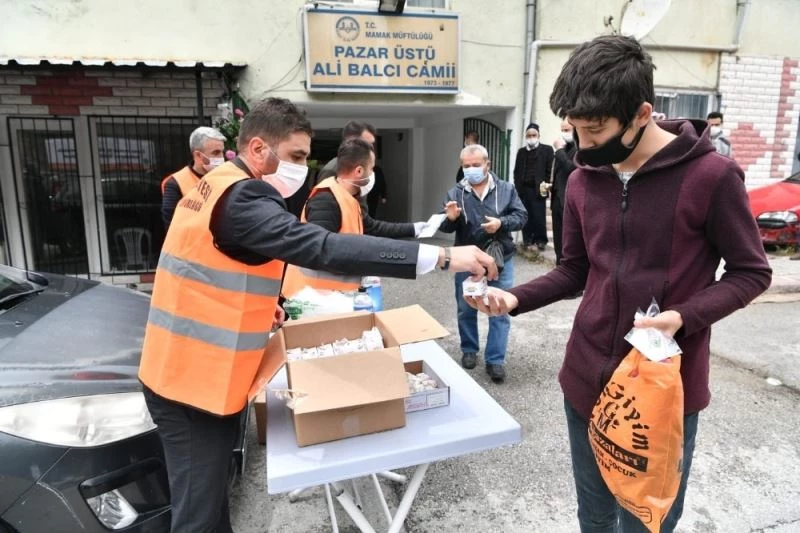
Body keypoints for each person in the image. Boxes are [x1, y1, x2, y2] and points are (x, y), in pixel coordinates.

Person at [138, 97, 497, 533]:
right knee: (197, 517)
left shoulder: (214, 185)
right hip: (194, 384)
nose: (303, 169)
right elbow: (321, 247)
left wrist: (253, 304)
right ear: (256, 149)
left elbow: (205, 264)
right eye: (294, 156)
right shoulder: (243, 196)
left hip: (183, 370)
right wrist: (440, 258)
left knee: (212, 503)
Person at [465, 35, 771, 532]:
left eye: (595, 130)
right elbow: (575, 270)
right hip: (584, 382)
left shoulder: (712, 177)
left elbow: (751, 272)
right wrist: (514, 297)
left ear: (641, 114)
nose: (582, 146)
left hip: (662, 393)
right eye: (575, 130)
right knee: (595, 518)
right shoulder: (585, 179)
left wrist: (682, 318)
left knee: (645, 525)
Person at [282, 138, 427, 297]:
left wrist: (415, 228)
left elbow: (372, 227)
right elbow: (319, 252)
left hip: (334, 296)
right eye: (371, 169)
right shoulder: (326, 200)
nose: (373, 174)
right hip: (312, 297)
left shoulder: (349, 198)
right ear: (358, 171)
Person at [439, 144, 528, 383]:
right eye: (466, 166)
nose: (471, 170)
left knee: (499, 308)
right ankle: (469, 349)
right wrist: (451, 219)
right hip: (466, 262)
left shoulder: (506, 189)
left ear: (487, 164)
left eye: (476, 165)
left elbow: (522, 216)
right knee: (466, 307)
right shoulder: (455, 193)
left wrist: (501, 223)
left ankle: (495, 360)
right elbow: (445, 226)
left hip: (500, 260)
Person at [161, 126, 226, 229]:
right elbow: (172, 227)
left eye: (222, 152)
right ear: (198, 155)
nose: (221, 158)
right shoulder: (176, 183)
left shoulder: (226, 178)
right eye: (216, 153)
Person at [513, 122, 554, 250]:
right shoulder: (521, 152)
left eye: (533, 135)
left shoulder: (547, 150)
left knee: (539, 215)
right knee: (525, 215)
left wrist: (546, 184)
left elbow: (549, 169)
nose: (531, 137)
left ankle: (541, 240)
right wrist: (517, 185)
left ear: (538, 135)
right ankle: (527, 239)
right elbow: (517, 171)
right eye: (529, 135)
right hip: (524, 189)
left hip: (538, 188)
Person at [551, 119, 577, 266]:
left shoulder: (579, 149)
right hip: (557, 199)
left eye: (567, 130)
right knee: (558, 239)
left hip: (569, 201)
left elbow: (572, 169)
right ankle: (559, 268)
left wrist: (559, 151)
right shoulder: (565, 148)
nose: (563, 133)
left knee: (568, 241)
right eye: (562, 130)